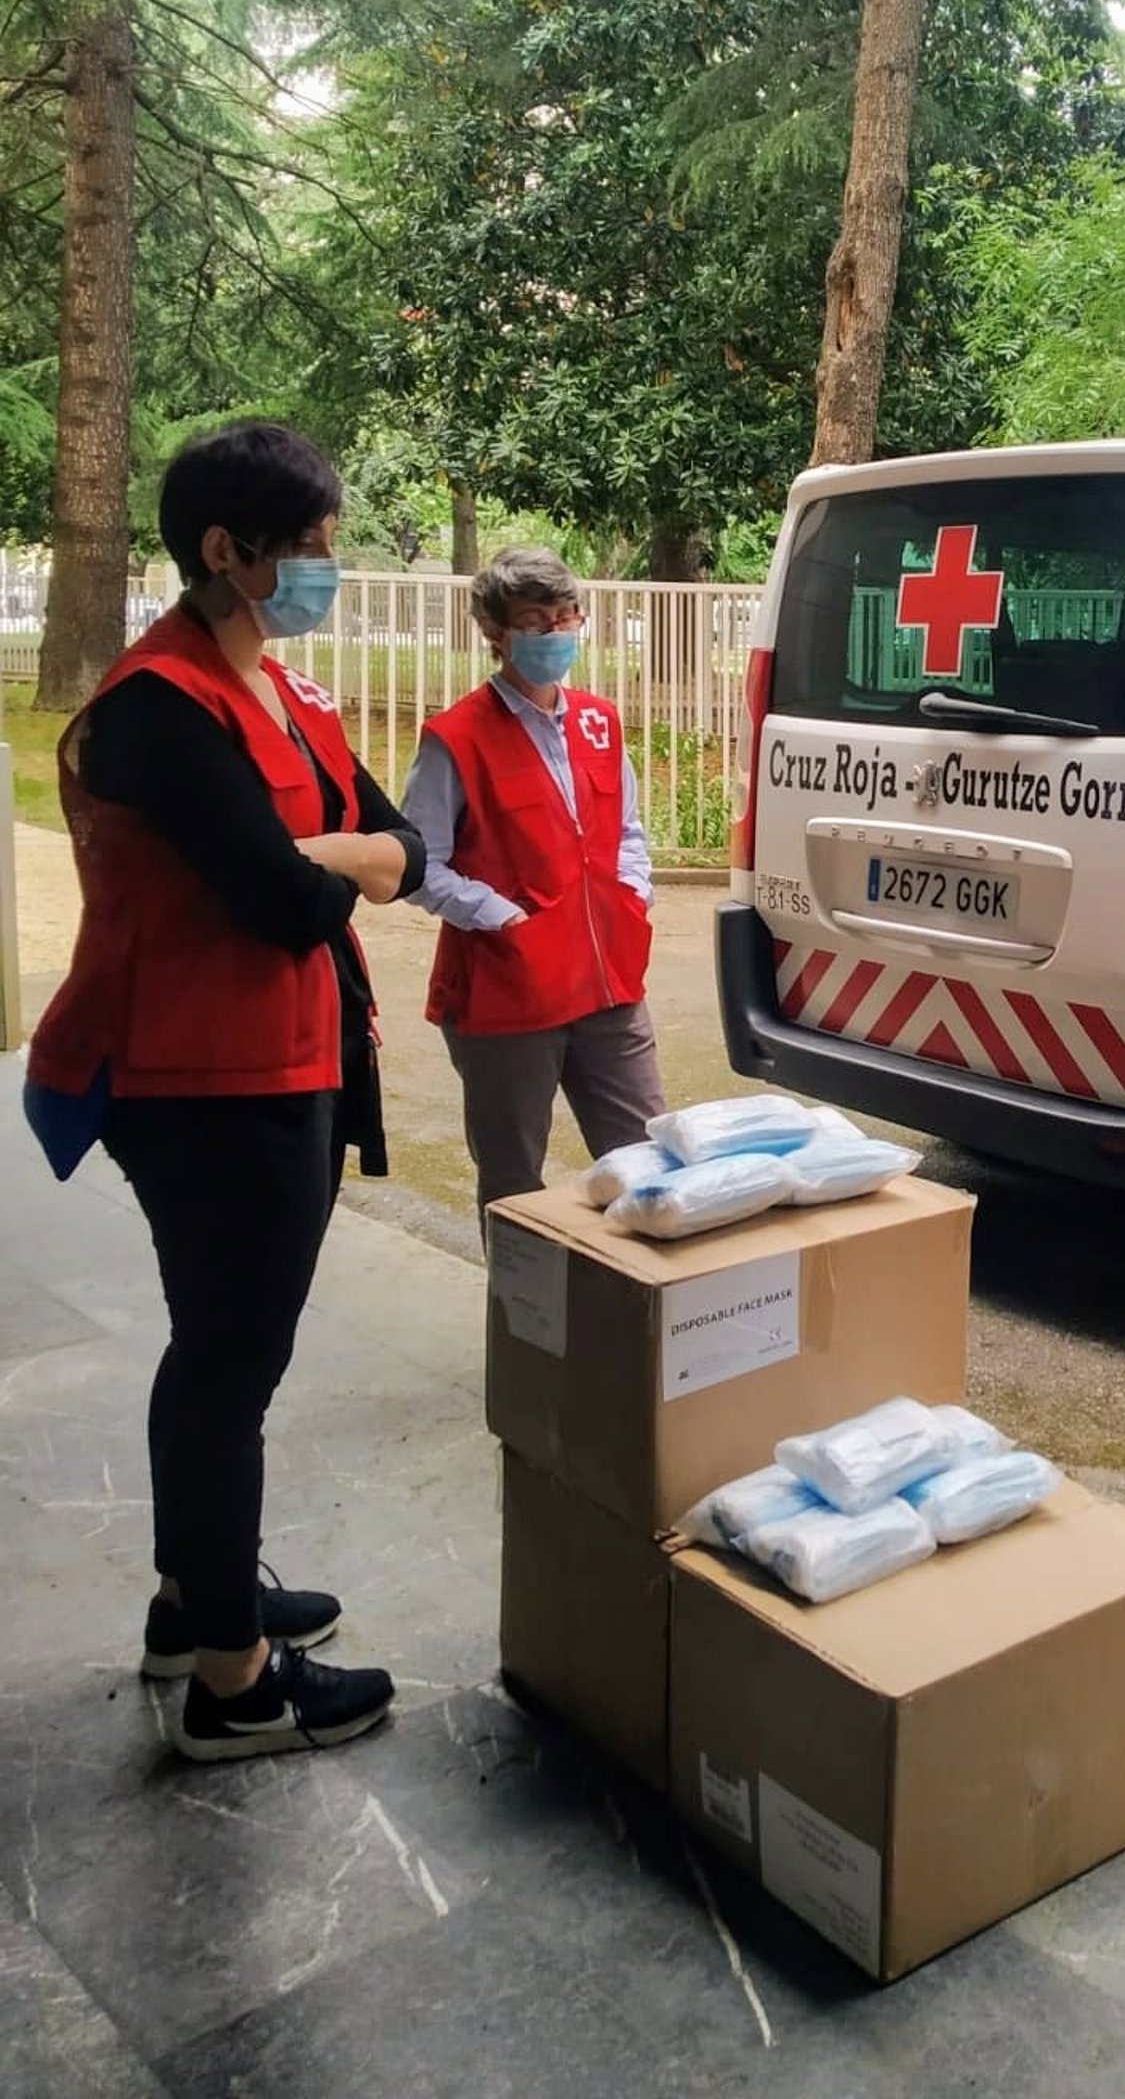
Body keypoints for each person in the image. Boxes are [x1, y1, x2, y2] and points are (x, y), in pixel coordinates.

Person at [26, 421, 425, 1758]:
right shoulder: (157, 707)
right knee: (227, 1370)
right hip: (200, 1088)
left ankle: (194, 1600)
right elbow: (281, 902)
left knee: (218, 1355)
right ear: (225, 550)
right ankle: (235, 1683)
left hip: (289, 1067)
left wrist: (330, 851)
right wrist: (332, 860)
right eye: (310, 547)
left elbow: (405, 848)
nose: (328, 568)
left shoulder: (284, 694)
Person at [402, 547, 664, 1232]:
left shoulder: (601, 722)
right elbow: (419, 865)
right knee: (514, 1180)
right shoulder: (456, 739)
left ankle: (636, 1297)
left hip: (608, 984)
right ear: (495, 632)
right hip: (508, 996)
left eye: (565, 616)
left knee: (649, 1165)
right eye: (533, 621)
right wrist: (501, 917)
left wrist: (633, 892)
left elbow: (627, 830)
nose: (555, 632)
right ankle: (522, 1300)